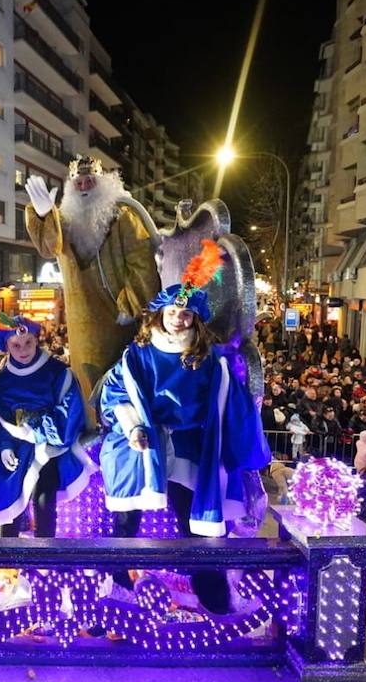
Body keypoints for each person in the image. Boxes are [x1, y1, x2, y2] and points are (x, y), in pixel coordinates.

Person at [99, 241, 271, 612]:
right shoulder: (138, 354)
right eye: (175, 311)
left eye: (188, 314)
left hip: (191, 446)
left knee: (198, 526)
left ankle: (214, 598)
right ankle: (115, 590)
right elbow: (116, 392)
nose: (180, 318)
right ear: (160, 314)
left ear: (195, 319)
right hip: (144, 442)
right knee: (126, 518)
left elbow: (227, 399)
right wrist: (132, 428)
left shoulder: (209, 359)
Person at [24, 156, 161, 411]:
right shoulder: (64, 221)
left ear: (103, 183)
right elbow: (48, 247)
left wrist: (130, 305)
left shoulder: (123, 216)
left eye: (90, 181)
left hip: (117, 318)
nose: (85, 187)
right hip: (81, 322)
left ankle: (122, 429)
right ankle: (91, 429)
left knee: (119, 379)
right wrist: (44, 216)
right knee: (85, 381)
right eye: (79, 182)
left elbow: (142, 264)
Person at [0, 303, 94, 538]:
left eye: (28, 343)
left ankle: (45, 555)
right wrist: (4, 446)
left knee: (44, 497)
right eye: (16, 345)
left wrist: (36, 432)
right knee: (9, 499)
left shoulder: (57, 373)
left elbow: (68, 413)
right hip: (15, 449)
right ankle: (7, 558)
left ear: (36, 340)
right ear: (7, 346)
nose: (23, 349)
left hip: (49, 448)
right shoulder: (2, 380)